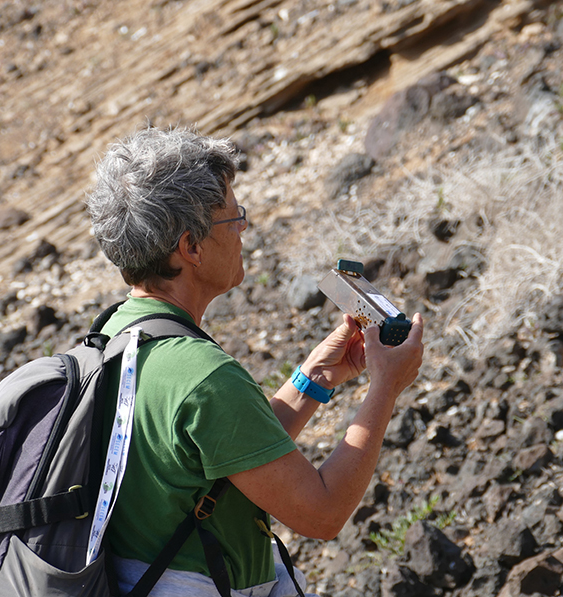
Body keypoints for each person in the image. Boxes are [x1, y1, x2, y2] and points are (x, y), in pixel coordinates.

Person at [85, 126, 424, 597]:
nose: (243, 229)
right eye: (233, 218)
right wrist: (385, 388)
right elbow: (321, 514)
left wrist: (317, 377)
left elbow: (234, 458)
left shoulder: (111, 337)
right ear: (191, 247)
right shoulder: (202, 377)